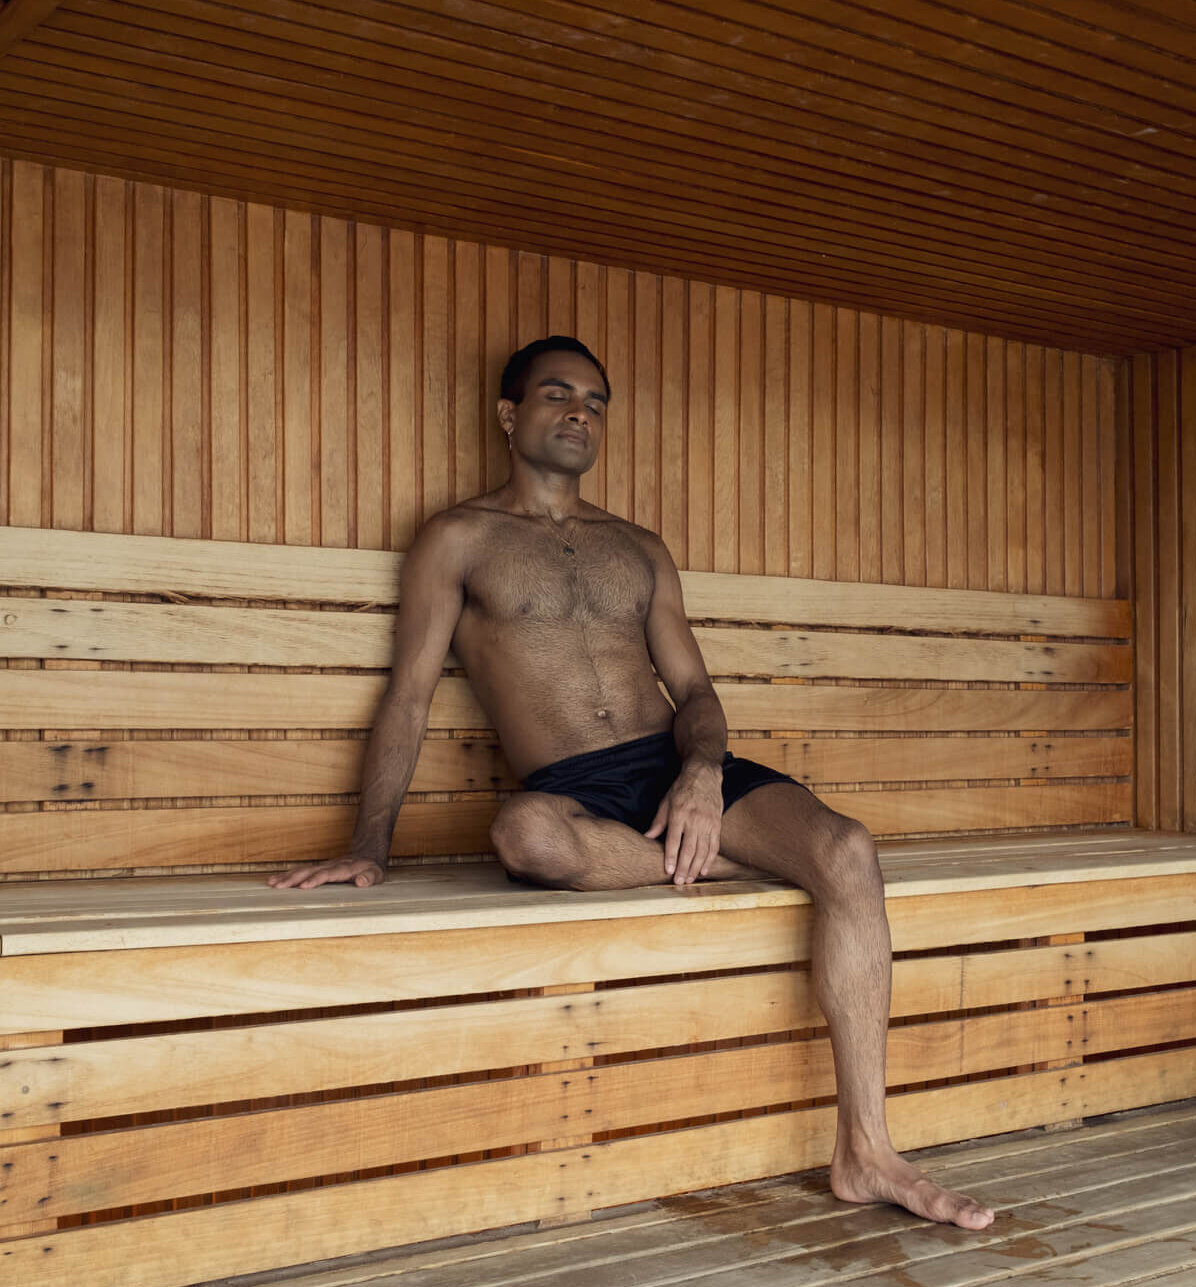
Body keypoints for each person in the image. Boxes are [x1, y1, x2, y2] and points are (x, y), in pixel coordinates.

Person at [269, 335, 996, 1232]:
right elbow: (410, 693)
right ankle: (744, 861)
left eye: (597, 401)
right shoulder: (457, 538)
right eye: (558, 394)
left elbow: (694, 692)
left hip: (678, 766)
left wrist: (699, 772)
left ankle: (868, 1148)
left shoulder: (638, 548)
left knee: (848, 846)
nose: (581, 412)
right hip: (573, 786)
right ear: (509, 413)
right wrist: (366, 847)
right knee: (523, 837)